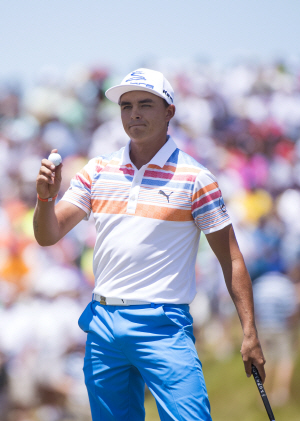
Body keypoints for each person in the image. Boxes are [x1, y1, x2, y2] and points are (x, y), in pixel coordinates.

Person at [33, 68, 266, 421]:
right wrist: (45, 200)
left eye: (145, 104)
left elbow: (231, 259)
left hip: (164, 323)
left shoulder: (196, 179)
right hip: (104, 323)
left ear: (169, 111)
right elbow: (47, 234)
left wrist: (249, 332)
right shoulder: (97, 170)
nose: (134, 113)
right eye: (126, 106)